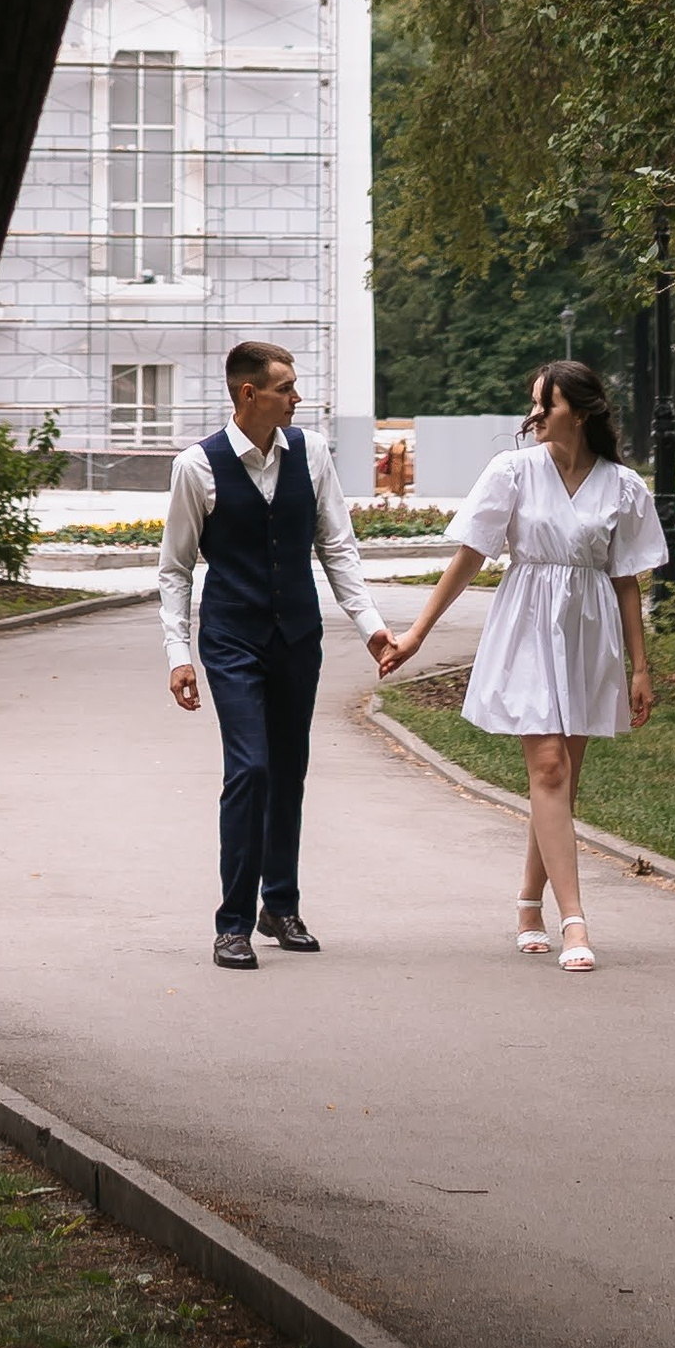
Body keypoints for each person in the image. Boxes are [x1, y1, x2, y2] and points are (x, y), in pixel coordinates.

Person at [382, 360, 665, 974]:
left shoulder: (623, 486)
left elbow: (627, 581)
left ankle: (528, 905)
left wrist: (640, 668)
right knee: (548, 764)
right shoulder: (512, 471)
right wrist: (416, 634)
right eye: (532, 403)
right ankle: (576, 921)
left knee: (560, 779)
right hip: (528, 625)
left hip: (589, 633)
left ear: (581, 411)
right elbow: (469, 557)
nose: (533, 415)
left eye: (546, 404)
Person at [159, 339, 394, 969]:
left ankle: (279, 905)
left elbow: (337, 548)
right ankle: (232, 922)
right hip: (231, 640)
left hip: (297, 638)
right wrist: (179, 653)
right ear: (249, 394)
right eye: (287, 387)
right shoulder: (197, 468)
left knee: (288, 769)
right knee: (251, 769)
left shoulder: (312, 453)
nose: (298, 397)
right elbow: (175, 570)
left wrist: (370, 626)